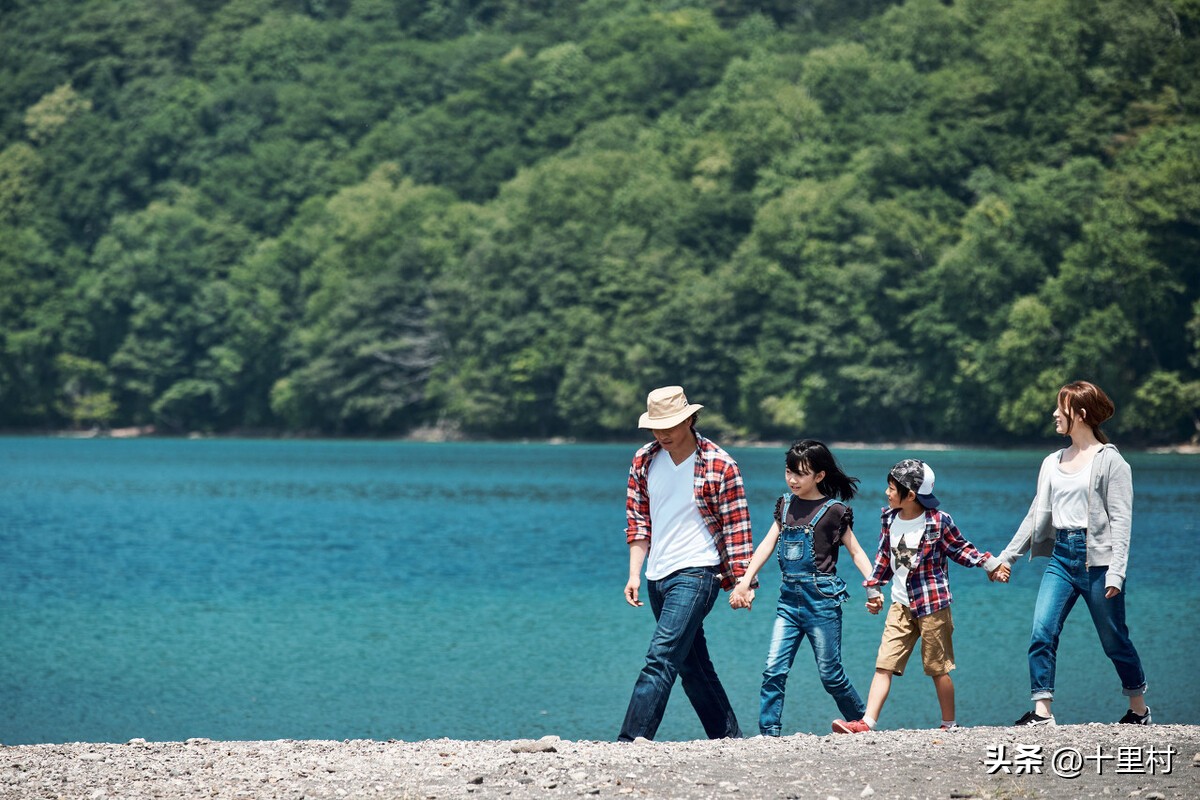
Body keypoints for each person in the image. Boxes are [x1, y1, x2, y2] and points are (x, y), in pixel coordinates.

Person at [992, 380, 1149, 726]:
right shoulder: (1051, 462)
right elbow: (1036, 514)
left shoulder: (1112, 462)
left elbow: (1122, 522)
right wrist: (1008, 557)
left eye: (1059, 408)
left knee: (1114, 640)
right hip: (1061, 557)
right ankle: (1043, 712)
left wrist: (1117, 572)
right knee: (1041, 631)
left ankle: (1138, 709)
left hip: (1100, 561)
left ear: (1079, 414)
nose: (1053, 414)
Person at [618, 385, 753, 742]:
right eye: (656, 427)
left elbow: (738, 528)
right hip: (657, 575)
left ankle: (630, 741)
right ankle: (728, 738)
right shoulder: (643, 461)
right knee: (692, 666)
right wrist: (634, 572)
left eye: (671, 425)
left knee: (660, 657)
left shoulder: (720, 465)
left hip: (699, 571)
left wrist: (744, 582)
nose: (662, 433)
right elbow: (638, 521)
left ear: (691, 419)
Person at [833, 459, 1003, 733]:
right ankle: (867, 722)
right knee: (884, 664)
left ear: (910, 495)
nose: (887, 493)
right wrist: (874, 589)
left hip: (932, 605)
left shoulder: (938, 521)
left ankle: (949, 724)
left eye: (891, 488)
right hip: (900, 604)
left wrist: (990, 564)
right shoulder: (889, 518)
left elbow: (961, 549)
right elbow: (884, 557)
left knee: (938, 668)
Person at [728, 440, 876, 736]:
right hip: (788, 603)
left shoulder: (834, 511)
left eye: (800, 474)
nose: (792, 480)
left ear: (820, 476)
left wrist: (873, 587)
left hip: (822, 602)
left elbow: (857, 552)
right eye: (788, 472)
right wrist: (745, 581)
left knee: (831, 675)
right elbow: (767, 545)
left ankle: (860, 722)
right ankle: (769, 732)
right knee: (773, 670)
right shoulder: (785, 505)